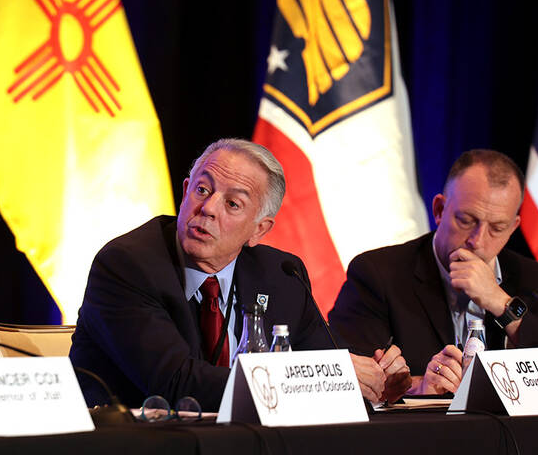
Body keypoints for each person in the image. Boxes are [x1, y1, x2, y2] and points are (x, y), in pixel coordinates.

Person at [70, 138, 410, 410]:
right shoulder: (127, 265)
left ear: (258, 230)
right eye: (202, 190)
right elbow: (175, 384)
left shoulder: (281, 275)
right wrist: (327, 377)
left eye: (233, 204)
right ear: (186, 189)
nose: (209, 208)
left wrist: (373, 377)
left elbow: (321, 358)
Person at [329, 149, 538, 395]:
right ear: (440, 210)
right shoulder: (378, 274)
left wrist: (499, 301)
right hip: (417, 431)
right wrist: (418, 387)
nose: (478, 240)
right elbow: (349, 377)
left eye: (497, 227)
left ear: (513, 227)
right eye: (466, 220)